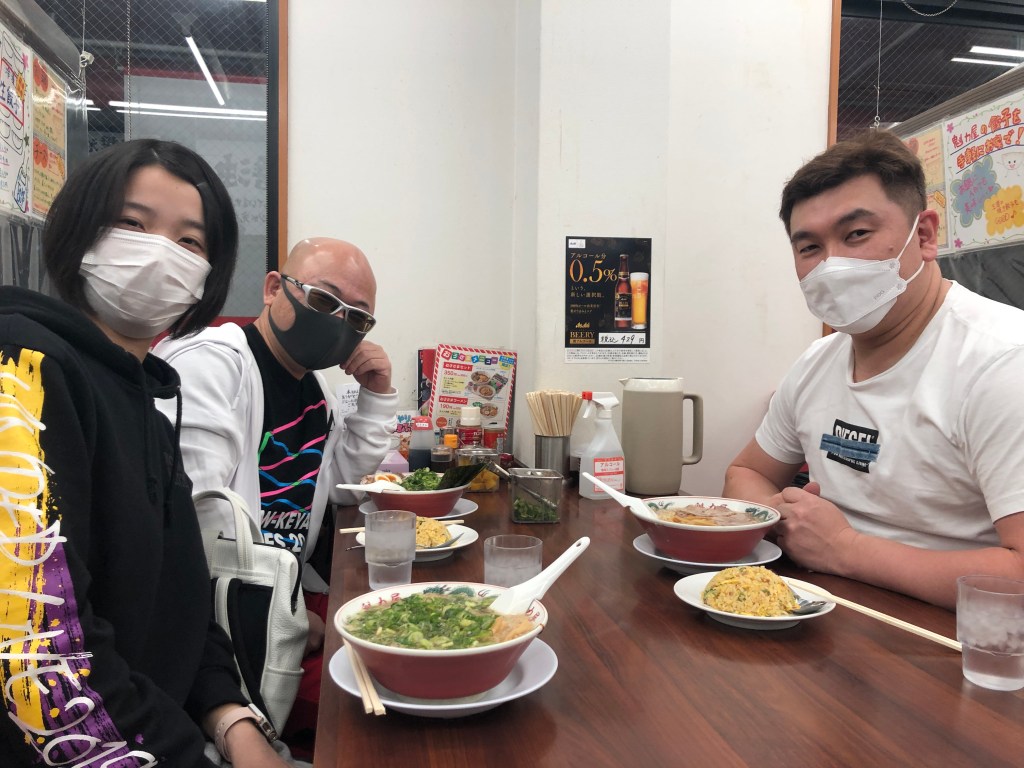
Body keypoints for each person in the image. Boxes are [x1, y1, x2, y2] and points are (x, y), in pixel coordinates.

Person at [0, 139, 289, 766]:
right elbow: (36, 652)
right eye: (132, 224)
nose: (160, 252)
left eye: (190, 241)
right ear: (78, 228)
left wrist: (233, 720)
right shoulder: (23, 368)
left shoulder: (150, 410)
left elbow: (180, 602)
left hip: (171, 728)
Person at [723, 130, 1024, 610]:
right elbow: (745, 472)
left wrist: (845, 550)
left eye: (857, 234)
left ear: (924, 235)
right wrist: (776, 514)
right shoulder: (817, 362)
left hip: (955, 640)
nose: (832, 265)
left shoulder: (1004, 362)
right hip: (824, 614)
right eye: (809, 248)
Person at [153, 237, 398, 751]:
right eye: (325, 300)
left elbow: (341, 482)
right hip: (222, 621)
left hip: (284, 593)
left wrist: (377, 395)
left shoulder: (314, 389)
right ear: (273, 288)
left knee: (399, 638)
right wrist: (291, 614)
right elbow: (197, 526)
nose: (339, 322)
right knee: (381, 700)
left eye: (357, 318)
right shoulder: (213, 363)